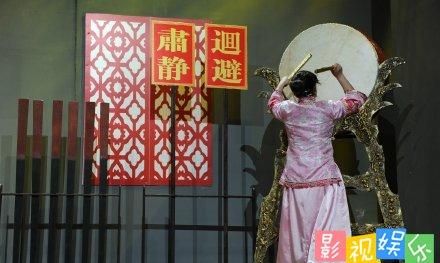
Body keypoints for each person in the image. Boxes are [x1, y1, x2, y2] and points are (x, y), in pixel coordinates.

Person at [267, 64, 367, 263]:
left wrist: (280, 85)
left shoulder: (287, 109)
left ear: (294, 90)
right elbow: (357, 100)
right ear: (314, 88)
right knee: (328, 229)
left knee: (297, 234)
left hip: (296, 181)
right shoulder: (328, 109)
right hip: (324, 179)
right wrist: (339, 74)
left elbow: (273, 103)